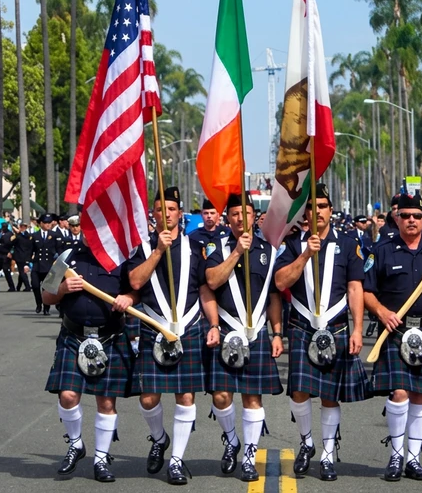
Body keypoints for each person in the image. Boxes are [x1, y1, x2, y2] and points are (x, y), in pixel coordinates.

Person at [362, 193, 422, 482]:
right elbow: (366, 291)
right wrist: (381, 312)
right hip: (395, 331)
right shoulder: (381, 250)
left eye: (416, 216)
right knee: (400, 392)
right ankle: (395, 455)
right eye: (405, 216)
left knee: (420, 394)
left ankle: (413, 459)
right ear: (396, 218)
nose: (411, 221)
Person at [274, 184, 368, 481]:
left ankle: (327, 454)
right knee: (300, 392)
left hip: (336, 325)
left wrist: (358, 330)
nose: (318, 212)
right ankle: (306, 443)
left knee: (330, 395)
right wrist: (304, 255)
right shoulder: (292, 244)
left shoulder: (349, 242)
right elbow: (279, 282)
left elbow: (355, 288)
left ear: (331, 210)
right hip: (302, 325)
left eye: (323, 206)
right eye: (312, 207)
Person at [123, 187, 210, 485]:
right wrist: (158, 250)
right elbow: (134, 280)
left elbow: (205, 288)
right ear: (154, 214)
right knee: (148, 398)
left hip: (188, 327)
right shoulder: (142, 247)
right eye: (161, 209)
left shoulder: (195, 247)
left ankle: (176, 460)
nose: (166, 214)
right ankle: (160, 439)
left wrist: (213, 324)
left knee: (185, 396)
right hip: (154, 327)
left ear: (180, 214)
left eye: (171, 209)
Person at [41, 228, 138, 483]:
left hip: (110, 337)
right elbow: (46, 295)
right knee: (68, 394)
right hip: (73, 336)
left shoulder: (119, 257)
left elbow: (136, 289)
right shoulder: (67, 257)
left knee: (106, 402)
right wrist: (62, 288)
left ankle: (102, 458)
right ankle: (75, 444)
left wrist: (127, 298)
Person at [204, 193, 284, 483]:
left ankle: (249, 457)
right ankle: (231, 439)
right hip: (227, 330)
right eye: (235, 214)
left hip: (258, 332)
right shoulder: (217, 247)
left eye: (246, 213)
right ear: (228, 219)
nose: (241, 218)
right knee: (221, 396)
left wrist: (277, 332)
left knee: (252, 397)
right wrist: (236, 252)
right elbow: (211, 281)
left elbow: (274, 296)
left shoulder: (270, 249)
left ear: (254, 216)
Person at [31, 213, 60, 315]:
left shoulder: (54, 235)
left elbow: (58, 249)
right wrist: (27, 263)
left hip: (49, 265)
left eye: (49, 222)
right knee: (35, 285)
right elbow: (30, 250)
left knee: (45, 287)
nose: (48, 224)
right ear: (41, 223)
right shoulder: (35, 236)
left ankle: (46, 307)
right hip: (37, 264)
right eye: (46, 223)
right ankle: (39, 303)